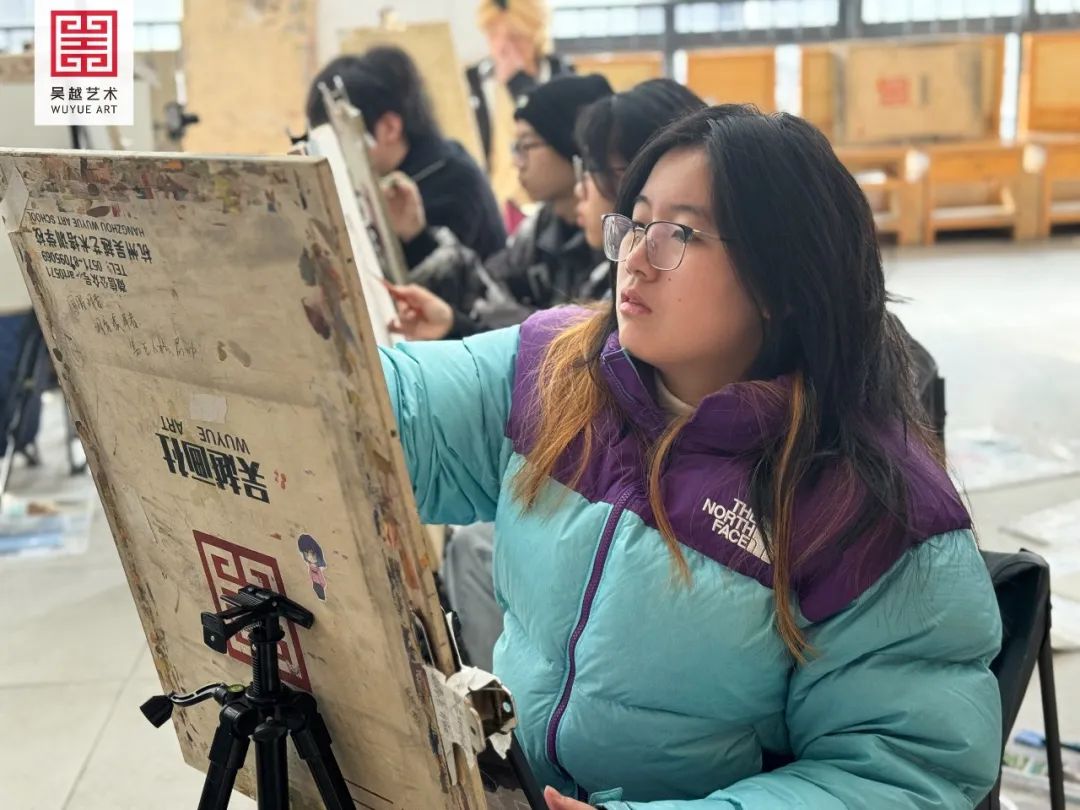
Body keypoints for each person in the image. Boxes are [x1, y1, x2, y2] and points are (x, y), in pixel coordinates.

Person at [378, 105, 1002, 808]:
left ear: (781, 280)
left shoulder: (875, 510)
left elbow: (899, 773)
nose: (635, 258)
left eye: (679, 234)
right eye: (635, 224)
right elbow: (378, 408)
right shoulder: (555, 367)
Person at [384, 73, 614, 339]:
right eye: (516, 147)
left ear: (572, 147)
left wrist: (456, 326)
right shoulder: (541, 228)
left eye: (526, 145)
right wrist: (418, 237)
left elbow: (558, 345)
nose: (517, 161)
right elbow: (485, 290)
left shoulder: (614, 252)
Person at [305, 47, 506, 263]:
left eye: (336, 140)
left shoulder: (452, 186)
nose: (330, 154)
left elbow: (440, 279)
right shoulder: (410, 171)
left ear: (390, 128)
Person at [468, 0, 574, 205]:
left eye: (515, 37)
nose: (502, 47)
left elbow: (560, 139)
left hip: (546, 203)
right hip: (493, 201)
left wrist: (518, 83)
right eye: (493, 35)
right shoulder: (474, 82)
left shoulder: (563, 78)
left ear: (535, 36)